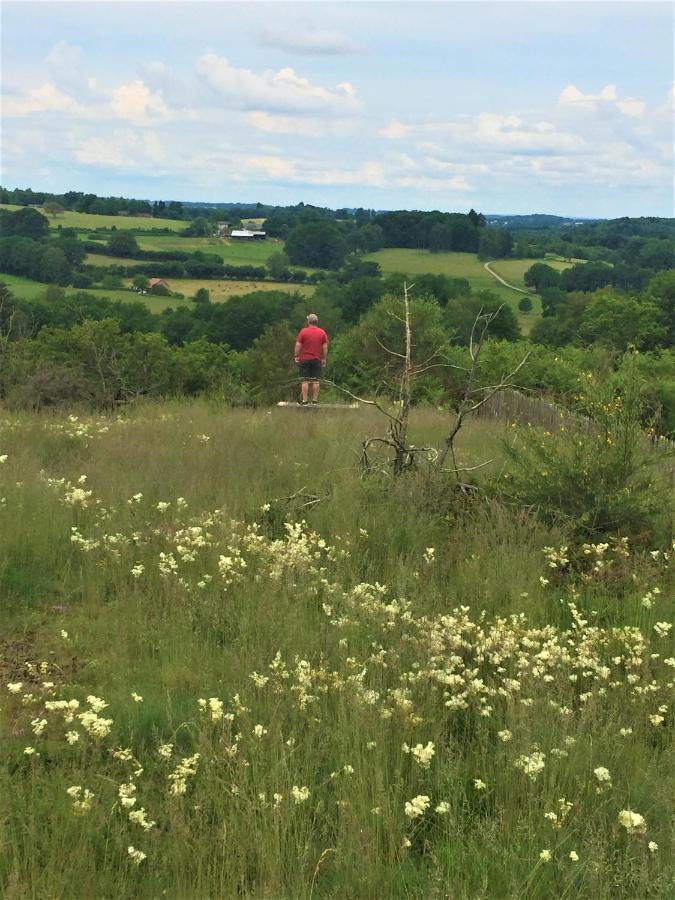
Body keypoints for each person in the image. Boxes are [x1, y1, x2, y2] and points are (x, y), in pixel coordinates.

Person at [294, 313, 328, 405]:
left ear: (308, 321)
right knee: (316, 380)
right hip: (316, 359)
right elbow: (325, 347)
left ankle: (305, 401)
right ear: (316, 322)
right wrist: (324, 359)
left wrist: (296, 355)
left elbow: (298, 345)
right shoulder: (322, 332)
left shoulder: (303, 331)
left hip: (304, 359)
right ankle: (315, 401)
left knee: (305, 380)